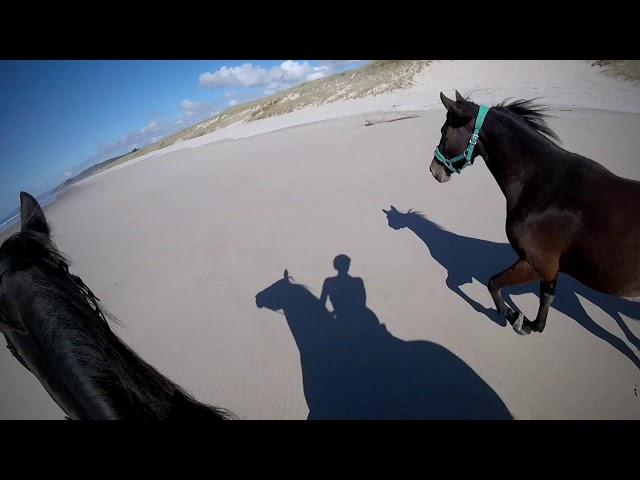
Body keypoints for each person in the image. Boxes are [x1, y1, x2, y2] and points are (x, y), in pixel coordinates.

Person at [320, 254, 366, 320]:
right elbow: (322, 304)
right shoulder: (329, 282)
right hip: (339, 316)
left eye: (346, 264)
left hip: (357, 316)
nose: (345, 267)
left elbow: (362, 302)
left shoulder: (357, 281)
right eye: (343, 264)